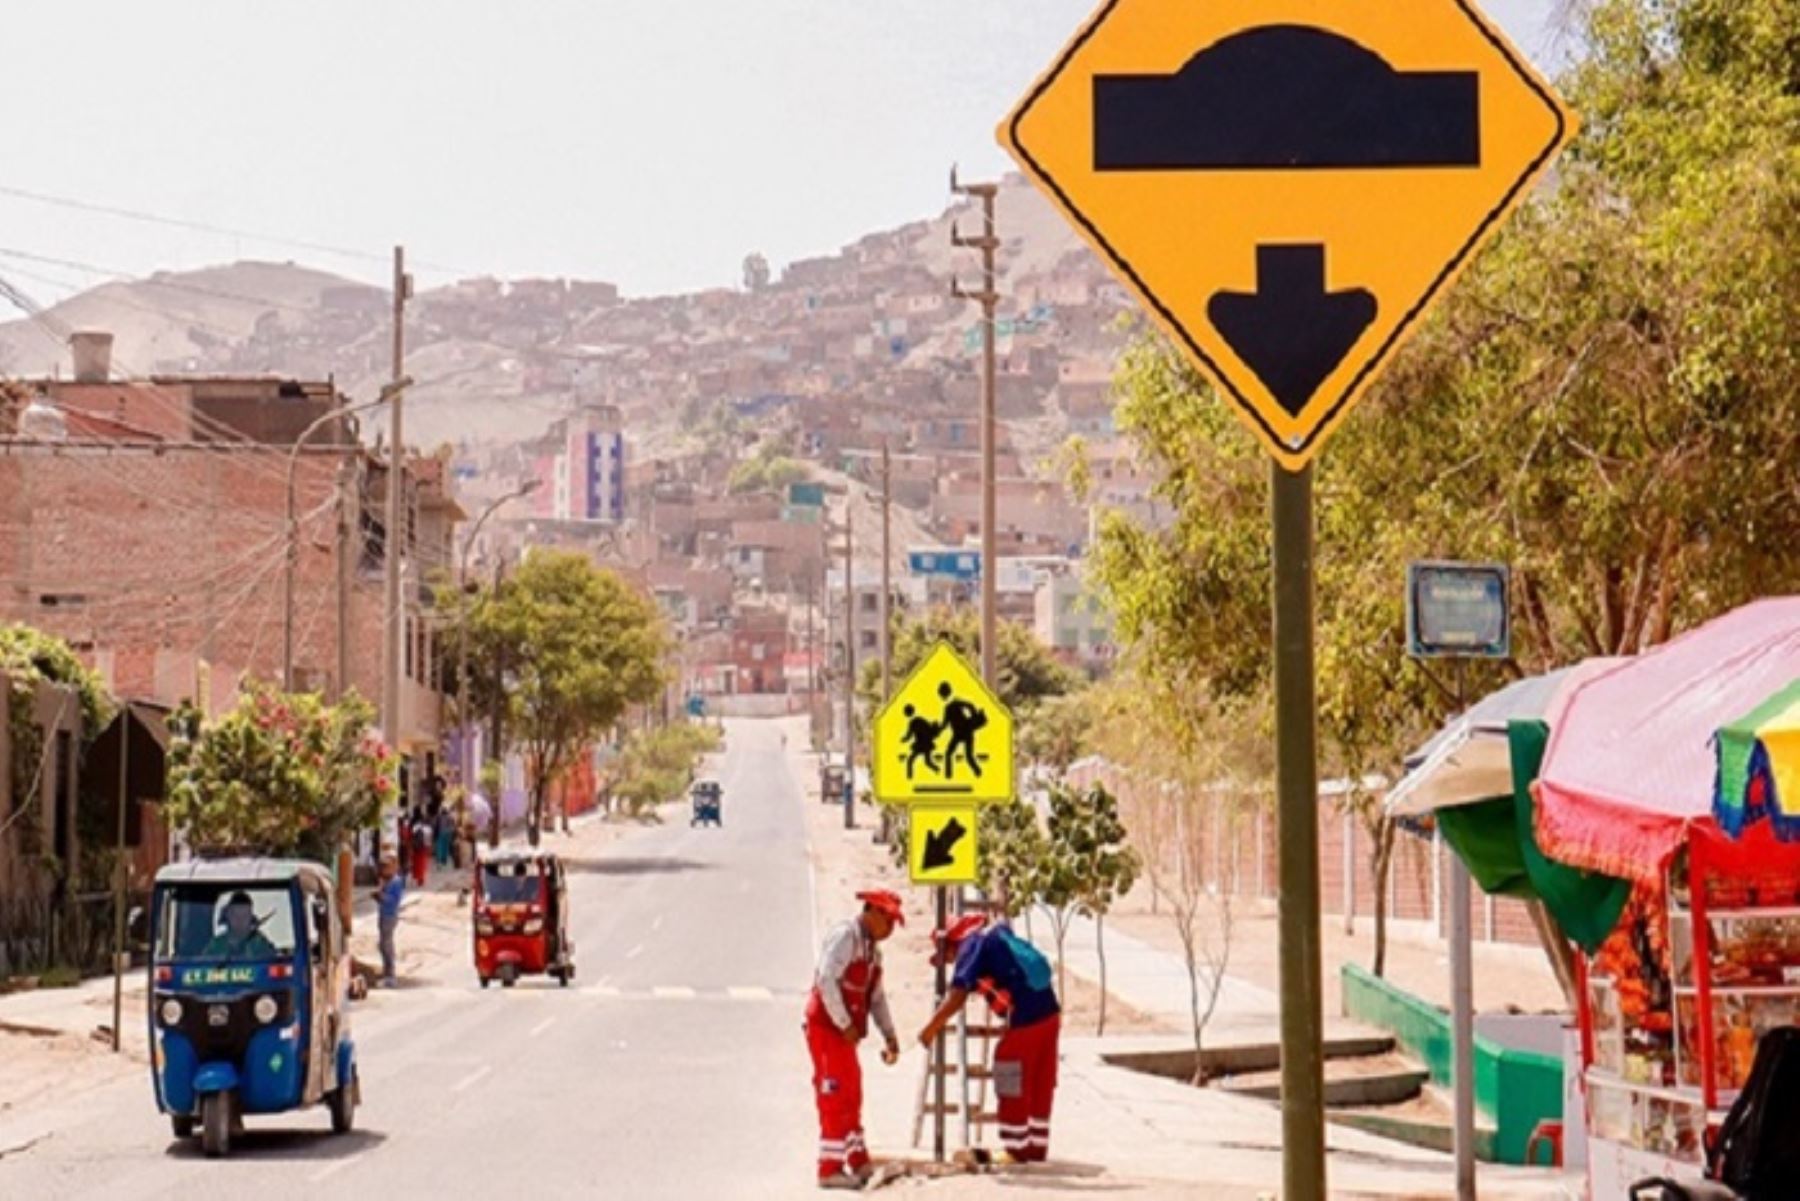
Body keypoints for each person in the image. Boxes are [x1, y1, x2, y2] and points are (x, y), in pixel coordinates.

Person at [919, 915, 1061, 1164]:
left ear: (951, 944)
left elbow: (957, 995)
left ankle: (1015, 1148)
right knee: (1040, 1079)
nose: (951, 963)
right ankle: (1036, 1147)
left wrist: (930, 1028)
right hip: (1050, 1015)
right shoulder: (996, 935)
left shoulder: (971, 945)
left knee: (1009, 1071)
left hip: (1026, 1018)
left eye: (948, 957)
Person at [806, 889, 904, 1190]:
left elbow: (875, 998)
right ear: (872, 912)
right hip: (827, 1029)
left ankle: (857, 1159)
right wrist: (844, 1022)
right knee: (834, 1094)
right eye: (887, 921)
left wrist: (889, 1034)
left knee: (851, 1092)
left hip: (845, 1035)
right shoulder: (845, 937)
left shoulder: (873, 951)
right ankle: (830, 1168)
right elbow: (825, 980)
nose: (890, 929)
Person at [200, 892, 279, 960]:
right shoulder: (216, 945)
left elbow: (272, 963)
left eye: (245, 916)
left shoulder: (260, 943)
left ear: (251, 917)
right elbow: (203, 966)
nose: (240, 920)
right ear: (228, 916)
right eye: (235, 915)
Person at [937, 682, 987, 780]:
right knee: (954, 754)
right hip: (960, 733)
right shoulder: (949, 707)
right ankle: (949, 776)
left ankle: (978, 774)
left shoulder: (954, 703)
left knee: (964, 756)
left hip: (964, 732)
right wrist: (936, 729)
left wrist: (974, 716)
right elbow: (944, 724)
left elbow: (969, 705)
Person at [370, 854, 404, 988]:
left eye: (386, 867)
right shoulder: (387, 881)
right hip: (384, 915)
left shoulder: (396, 882)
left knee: (386, 946)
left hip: (389, 916)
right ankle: (386, 972)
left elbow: (393, 901)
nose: (383, 870)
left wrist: (380, 896)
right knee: (382, 945)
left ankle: (390, 975)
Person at [409, 809, 431, 887]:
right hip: (423, 846)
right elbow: (428, 834)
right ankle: (420, 879)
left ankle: (417, 878)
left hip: (416, 847)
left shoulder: (413, 823)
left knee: (416, 863)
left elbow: (411, 835)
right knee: (422, 863)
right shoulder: (424, 824)